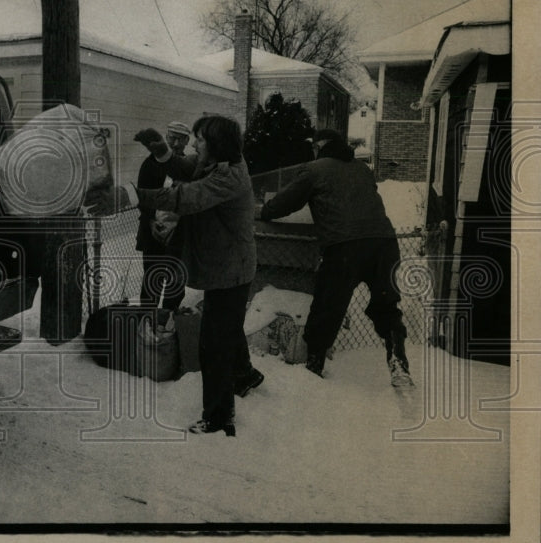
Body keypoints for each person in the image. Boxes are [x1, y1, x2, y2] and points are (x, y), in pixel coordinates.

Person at [97, 115, 259, 436]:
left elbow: (184, 197)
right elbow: (187, 171)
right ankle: (245, 375)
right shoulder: (217, 165)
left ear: (217, 145)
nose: (195, 144)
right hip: (226, 269)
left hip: (230, 271)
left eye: (200, 139)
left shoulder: (228, 178)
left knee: (213, 344)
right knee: (224, 331)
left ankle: (218, 417)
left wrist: (131, 194)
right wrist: (162, 154)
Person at [258, 128, 414, 387]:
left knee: (328, 307)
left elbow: (286, 203)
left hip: (345, 248)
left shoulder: (314, 169)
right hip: (385, 245)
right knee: (386, 306)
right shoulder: (363, 169)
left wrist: (265, 211)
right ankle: (398, 361)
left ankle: (315, 365)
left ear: (319, 146)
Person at [135, 121, 191, 313]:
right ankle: (146, 320)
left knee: (176, 281)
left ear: (187, 141)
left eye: (180, 139)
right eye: (172, 137)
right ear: (166, 138)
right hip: (153, 233)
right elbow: (142, 196)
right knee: (152, 278)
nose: (175, 143)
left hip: (180, 234)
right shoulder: (150, 164)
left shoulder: (188, 166)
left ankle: (168, 322)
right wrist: (150, 220)